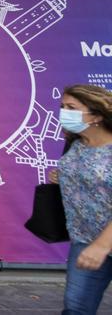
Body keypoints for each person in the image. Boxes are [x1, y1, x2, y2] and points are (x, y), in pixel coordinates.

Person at [53, 84, 112, 315]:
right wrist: (64, 177)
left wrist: (102, 245)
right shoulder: (76, 143)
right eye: (62, 106)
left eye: (71, 108)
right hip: (86, 239)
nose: (63, 113)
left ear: (96, 115)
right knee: (76, 308)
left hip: (100, 243)